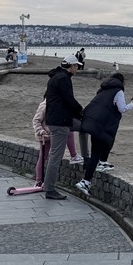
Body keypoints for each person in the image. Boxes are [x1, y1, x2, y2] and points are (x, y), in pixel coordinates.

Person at [74, 73, 133, 198]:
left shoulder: (102, 90)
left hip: (93, 122)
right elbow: (122, 109)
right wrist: (132, 104)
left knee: (105, 143)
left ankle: (103, 162)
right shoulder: (118, 91)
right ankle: (85, 182)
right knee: (96, 152)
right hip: (102, 125)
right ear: (122, 81)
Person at [42, 55, 84, 200]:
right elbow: (69, 100)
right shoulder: (63, 79)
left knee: (84, 128)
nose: (77, 69)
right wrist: (81, 111)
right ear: (71, 66)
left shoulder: (55, 77)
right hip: (60, 121)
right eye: (76, 66)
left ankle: (48, 186)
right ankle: (49, 189)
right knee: (55, 156)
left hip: (55, 119)